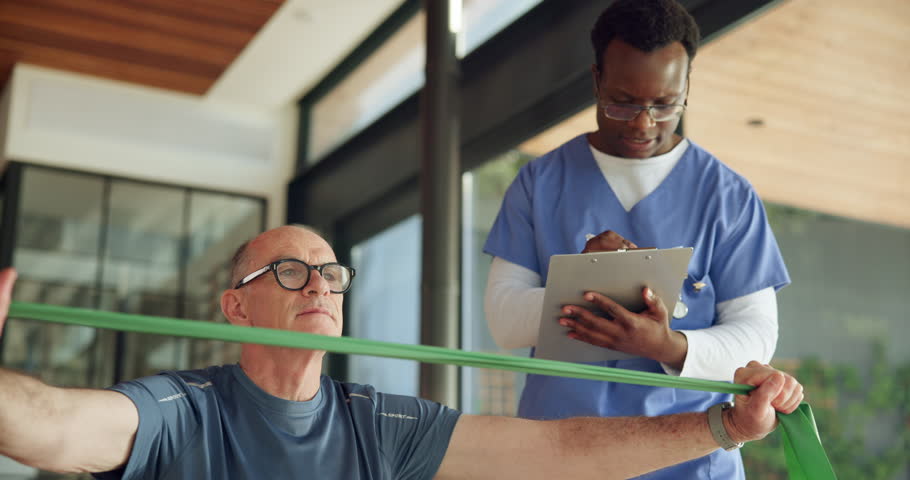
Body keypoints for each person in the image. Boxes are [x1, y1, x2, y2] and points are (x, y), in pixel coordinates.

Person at [0, 225, 802, 479]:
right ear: (236, 305)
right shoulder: (183, 412)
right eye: (290, 271)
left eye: (330, 273)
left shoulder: (377, 424)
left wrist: (722, 427)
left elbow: (560, 449)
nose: (318, 284)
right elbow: (51, 425)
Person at [483, 1, 790, 478]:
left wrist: (667, 346)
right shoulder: (539, 183)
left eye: (665, 104)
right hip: (559, 452)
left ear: (686, 87)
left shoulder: (728, 196)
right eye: (622, 101)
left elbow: (756, 336)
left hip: (690, 455)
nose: (643, 123)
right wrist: (580, 285)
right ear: (596, 80)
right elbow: (504, 319)